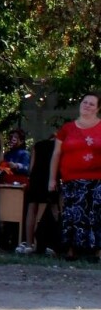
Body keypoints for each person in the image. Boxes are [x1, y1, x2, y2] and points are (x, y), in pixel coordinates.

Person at [48, 92, 101, 262]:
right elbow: (56, 154)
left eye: (92, 104)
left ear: (97, 108)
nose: (87, 106)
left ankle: (97, 252)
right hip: (71, 180)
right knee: (72, 214)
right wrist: (52, 179)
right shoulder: (67, 129)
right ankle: (71, 250)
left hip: (97, 180)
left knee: (95, 214)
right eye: (85, 102)